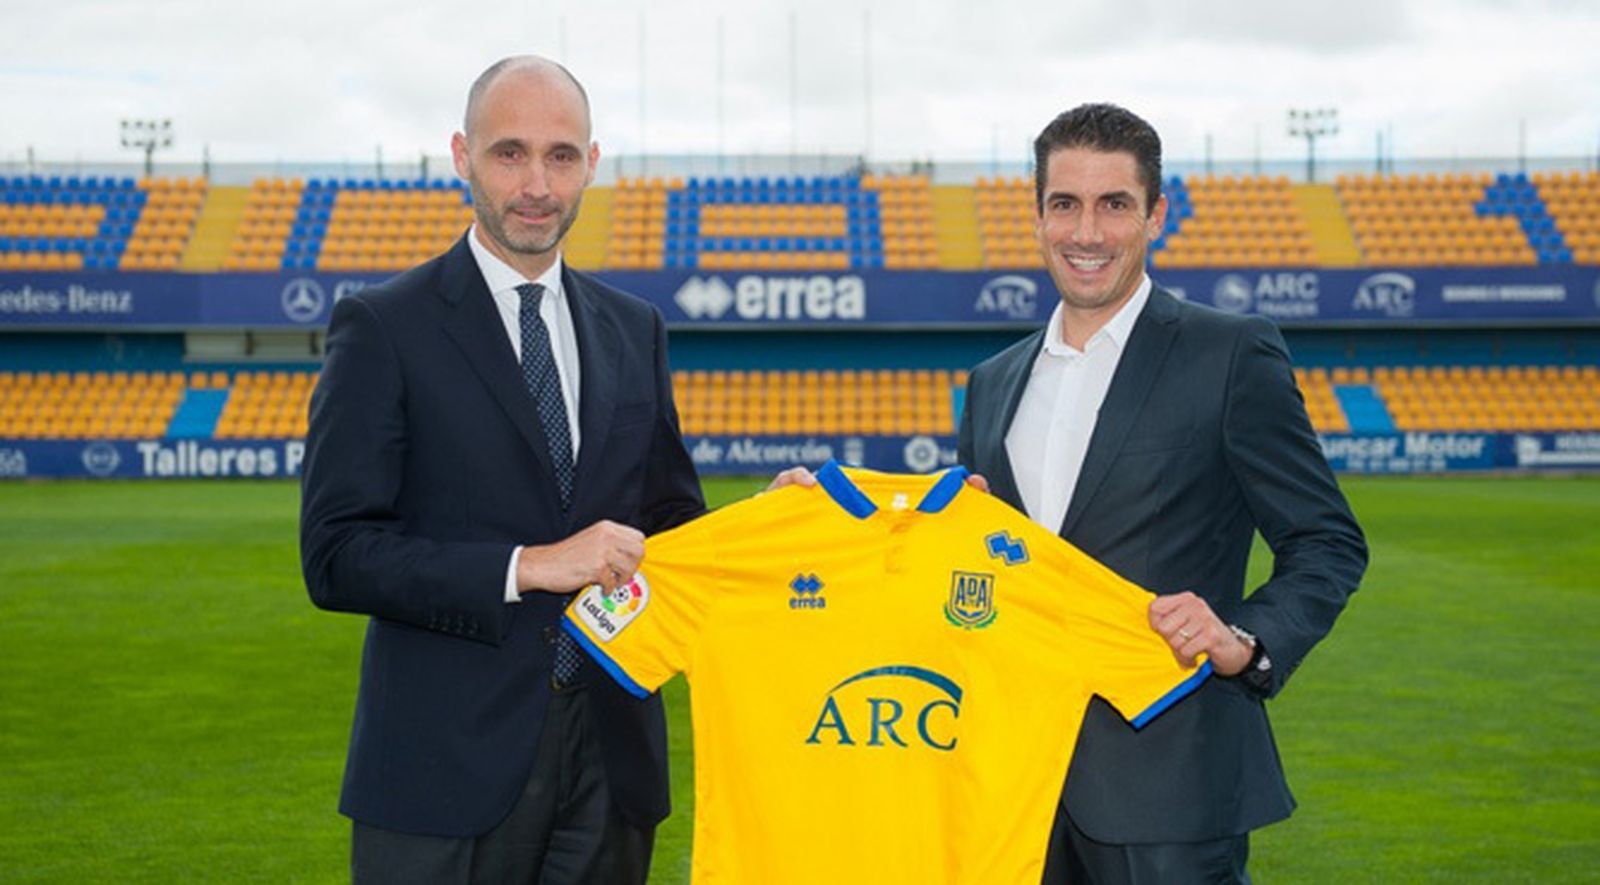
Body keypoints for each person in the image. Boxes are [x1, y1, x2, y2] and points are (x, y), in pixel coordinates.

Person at [299, 56, 703, 884]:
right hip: (440, 771)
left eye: (560, 156)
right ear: (461, 155)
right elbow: (337, 554)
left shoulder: (636, 328)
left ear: (592, 163)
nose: (536, 184)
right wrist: (528, 568)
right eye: (509, 152)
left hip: (612, 764)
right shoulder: (383, 325)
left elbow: (671, 522)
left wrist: (767, 525)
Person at [957, 103, 1368, 884]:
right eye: (1065, 204)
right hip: (1014, 787)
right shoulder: (992, 383)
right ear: (1037, 214)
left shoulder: (1230, 353)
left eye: (1115, 204)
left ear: (1156, 215)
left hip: (1172, 790)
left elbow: (1326, 541)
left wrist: (1244, 640)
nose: (1087, 232)